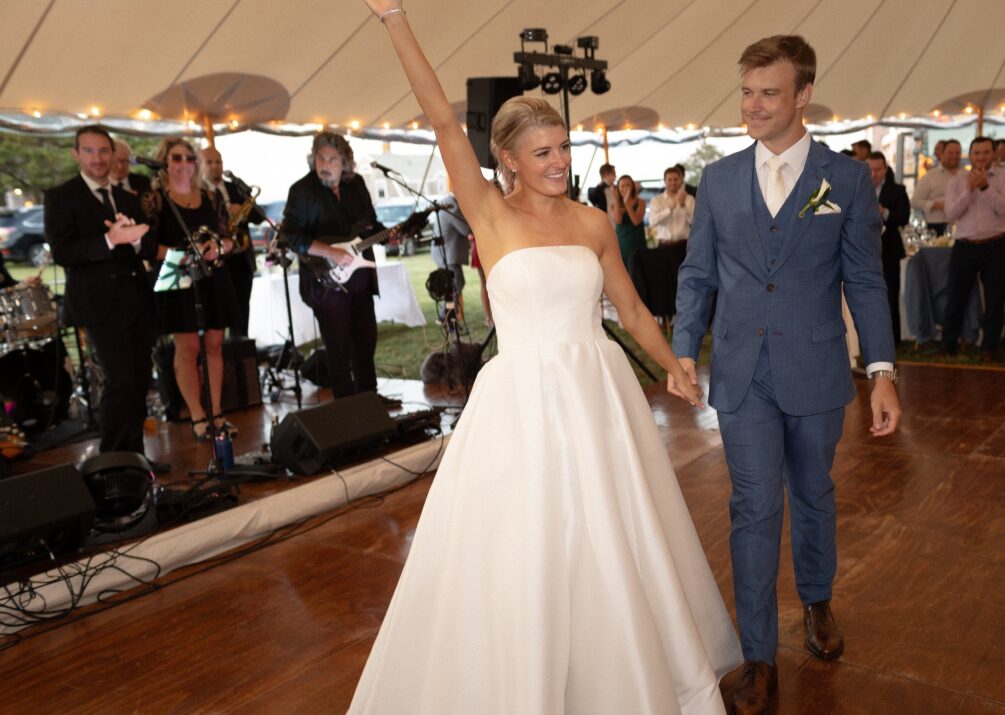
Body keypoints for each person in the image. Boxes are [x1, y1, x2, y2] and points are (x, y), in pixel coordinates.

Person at [350, 2, 743, 713]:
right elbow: (443, 120)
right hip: (520, 402)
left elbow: (628, 310)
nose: (560, 162)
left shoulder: (594, 220)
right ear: (506, 159)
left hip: (597, 391)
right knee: (526, 544)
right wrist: (395, 19)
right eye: (543, 153)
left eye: (564, 149)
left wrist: (675, 364)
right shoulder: (488, 213)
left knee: (612, 534)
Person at [673, 35, 901, 714]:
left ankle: (817, 598)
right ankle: (759, 658)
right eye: (746, 91)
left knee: (812, 492)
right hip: (741, 371)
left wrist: (882, 369)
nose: (753, 105)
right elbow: (698, 273)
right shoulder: (716, 180)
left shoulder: (846, 178)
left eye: (768, 92)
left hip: (816, 364)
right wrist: (685, 344)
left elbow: (865, 279)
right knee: (752, 505)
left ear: (803, 95)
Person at [45, 126, 164, 469]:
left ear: (113, 155)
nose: (97, 158)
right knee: (120, 381)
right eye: (89, 151)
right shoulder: (61, 197)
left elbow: (150, 246)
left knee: (141, 380)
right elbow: (63, 251)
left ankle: (136, 456)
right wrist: (110, 240)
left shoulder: (128, 198)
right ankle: (112, 463)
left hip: (137, 301)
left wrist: (138, 239)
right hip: (98, 305)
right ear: (76, 154)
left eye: (103, 151)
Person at [279, 132, 396, 404]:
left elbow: (370, 224)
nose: (325, 164)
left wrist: (388, 235)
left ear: (345, 161)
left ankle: (370, 400)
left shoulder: (356, 186)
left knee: (366, 341)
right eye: (320, 157)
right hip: (326, 284)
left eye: (332, 159)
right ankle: (346, 407)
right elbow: (290, 235)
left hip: (361, 278)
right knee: (339, 347)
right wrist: (329, 251)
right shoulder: (302, 191)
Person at [141, 137, 239, 440]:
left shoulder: (211, 197)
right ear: (164, 161)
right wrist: (184, 253)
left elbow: (230, 238)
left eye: (189, 158)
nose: (184, 164)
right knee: (187, 348)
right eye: (177, 158)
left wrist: (216, 248)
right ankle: (196, 414)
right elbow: (147, 247)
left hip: (212, 276)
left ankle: (217, 412)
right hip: (178, 276)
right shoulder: (154, 200)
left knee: (213, 346)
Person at [941, 136, 1005, 362]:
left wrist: (984, 186)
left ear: (993, 153)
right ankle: (948, 346)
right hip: (965, 245)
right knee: (955, 298)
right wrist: (969, 190)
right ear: (970, 155)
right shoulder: (957, 180)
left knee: (995, 300)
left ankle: (989, 348)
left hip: (996, 244)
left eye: (985, 152)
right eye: (976, 153)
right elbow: (951, 214)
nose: (981, 157)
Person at [200, 146, 265, 336]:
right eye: (209, 162)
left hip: (240, 260)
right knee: (218, 316)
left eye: (218, 162)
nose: (215, 166)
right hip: (216, 262)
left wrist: (243, 211)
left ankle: (242, 353)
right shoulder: (198, 192)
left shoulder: (235, 188)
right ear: (201, 166)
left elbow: (259, 216)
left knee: (242, 312)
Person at [867, 151, 910, 348]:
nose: (874, 174)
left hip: (890, 251)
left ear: (885, 169)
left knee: (890, 296)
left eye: (878, 170)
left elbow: (904, 217)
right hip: (865, 251)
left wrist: (884, 211)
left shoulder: (898, 190)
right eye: (870, 170)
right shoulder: (859, 187)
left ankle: (894, 341)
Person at [911, 139, 961, 235]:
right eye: (950, 153)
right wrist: (936, 205)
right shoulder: (930, 176)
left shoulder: (966, 175)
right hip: (937, 226)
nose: (954, 156)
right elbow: (915, 202)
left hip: (962, 226)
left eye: (957, 153)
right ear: (942, 154)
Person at [647, 165, 694, 244]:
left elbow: (694, 222)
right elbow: (652, 222)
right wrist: (669, 209)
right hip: (664, 245)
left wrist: (683, 206)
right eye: (669, 180)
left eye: (675, 179)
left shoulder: (689, 198)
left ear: (681, 180)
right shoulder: (656, 200)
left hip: (685, 245)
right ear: (665, 181)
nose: (673, 182)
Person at [609, 174, 647, 266]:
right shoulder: (614, 204)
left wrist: (626, 203)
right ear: (618, 188)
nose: (625, 188)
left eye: (628, 185)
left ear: (632, 187)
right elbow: (618, 220)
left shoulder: (640, 202)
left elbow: (636, 221)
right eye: (622, 186)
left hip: (637, 241)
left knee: (639, 269)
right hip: (622, 241)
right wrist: (617, 200)